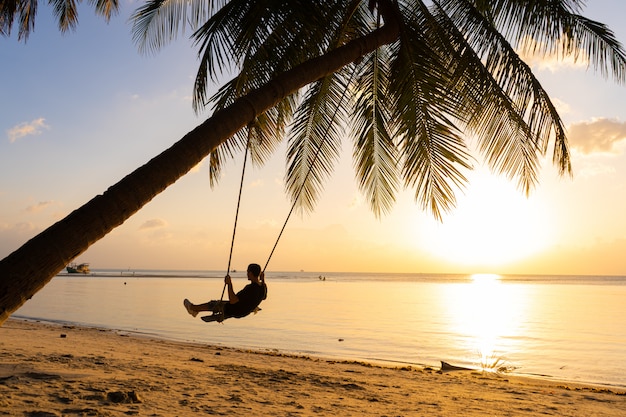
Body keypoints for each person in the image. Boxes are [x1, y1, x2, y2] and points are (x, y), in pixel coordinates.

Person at [184, 263, 267, 322]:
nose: (247, 274)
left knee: (214, 304)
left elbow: (233, 300)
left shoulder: (250, 288)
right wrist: (263, 280)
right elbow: (264, 297)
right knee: (220, 303)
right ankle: (196, 311)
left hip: (236, 310)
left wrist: (229, 284)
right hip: (246, 311)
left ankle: (193, 308)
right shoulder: (262, 286)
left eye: (247, 272)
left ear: (251, 273)